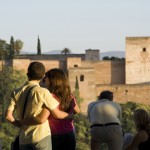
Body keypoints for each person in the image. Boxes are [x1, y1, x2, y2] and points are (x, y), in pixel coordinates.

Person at [5, 62, 73, 150]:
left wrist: (20, 124)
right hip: (41, 138)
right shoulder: (43, 92)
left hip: (24, 139)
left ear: (27, 74)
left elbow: (8, 116)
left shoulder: (15, 92)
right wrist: (71, 116)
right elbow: (57, 114)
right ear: (43, 76)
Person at [21, 68, 80, 150]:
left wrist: (22, 121)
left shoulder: (50, 96)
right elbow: (77, 110)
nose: (43, 80)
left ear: (52, 80)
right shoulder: (69, 95)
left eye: (46, 78)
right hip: (69, 133)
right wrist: (70, 115)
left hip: (54, 134)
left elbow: (45, 117)